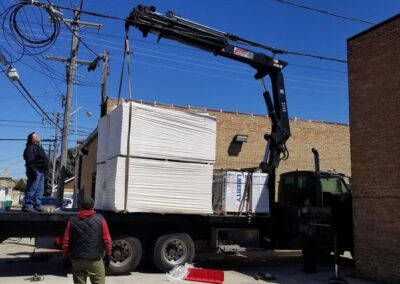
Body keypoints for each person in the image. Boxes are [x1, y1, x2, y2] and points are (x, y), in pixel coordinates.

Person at [62, 197, 112, 284]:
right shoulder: (100, 219)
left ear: (81, 207)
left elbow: (66, 240)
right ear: (93, 206)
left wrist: (65, 256)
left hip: (77, 258)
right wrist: (109, 254)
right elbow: (107, 239)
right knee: (98, 281)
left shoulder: (72, 220)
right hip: (94, 258)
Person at [23, 132, 49, 212]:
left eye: (38, 135)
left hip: (41, 171)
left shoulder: (39, 147)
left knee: (40, 190)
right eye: (36, 136)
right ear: (32, 139)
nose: (38, 137)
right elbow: (30, 161)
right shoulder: (31, 147)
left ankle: (37, 205)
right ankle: (28, 206)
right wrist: (34, 171)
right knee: (32, 189)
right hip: (35, 171)